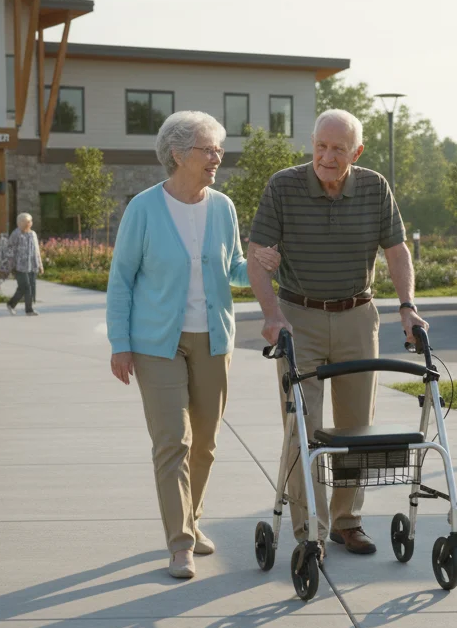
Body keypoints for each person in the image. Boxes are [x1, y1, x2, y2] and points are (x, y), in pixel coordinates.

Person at [246, 109, 428, 557]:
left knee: (356, 428)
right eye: (320, 147)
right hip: (297, 317)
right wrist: (271, 316)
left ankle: (348, 520)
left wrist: (407, 308)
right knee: (301, 428)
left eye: (338, 149)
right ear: (312, 145)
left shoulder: (374, 187)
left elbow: (397, 249)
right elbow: (257, 255)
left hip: (356, 314)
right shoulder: (283, 186)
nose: (326, 157)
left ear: (356, 152)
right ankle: (311, 530)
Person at [106, 110, 279, 580]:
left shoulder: (221, 207)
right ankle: (179, 543)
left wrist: (263, 263)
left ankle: (193, 519)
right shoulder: (143, 208)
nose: (217, 157)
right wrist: (120, 344)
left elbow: (234, 269)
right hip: (155, 342)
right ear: (179, 154)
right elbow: (120, 280)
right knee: (172, 442)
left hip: (213, 336)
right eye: (209, 149)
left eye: (219, 149)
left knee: (204, 443)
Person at [4, 214, 43, 316]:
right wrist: (10, 265)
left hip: (32, 265)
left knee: (26, 287)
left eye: (29, 221)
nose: (28, 224)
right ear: (19, 223)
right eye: (25, 222)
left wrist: (40, 265)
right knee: (26, 286)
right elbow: (9, 249)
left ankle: (12, 305)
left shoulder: (33, 234)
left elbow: (37, 250)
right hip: (19, 266)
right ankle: (28, 310)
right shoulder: (16, 234)